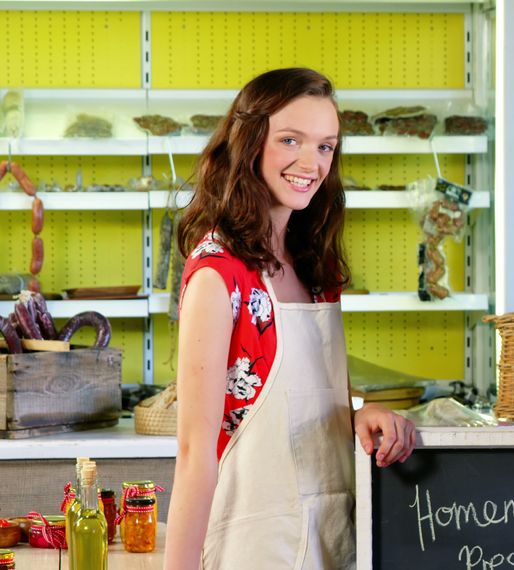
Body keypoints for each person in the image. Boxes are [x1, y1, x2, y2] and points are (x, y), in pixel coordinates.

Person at [164, 68, 416, 569]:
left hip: (332, 543)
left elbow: (303, 413)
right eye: (290, 140)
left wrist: (357, 417)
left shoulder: (316, 271)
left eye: (326, 146)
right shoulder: (220, 275)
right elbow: (195, 454)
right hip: (253, 549)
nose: (311, 162)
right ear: (249, 142)